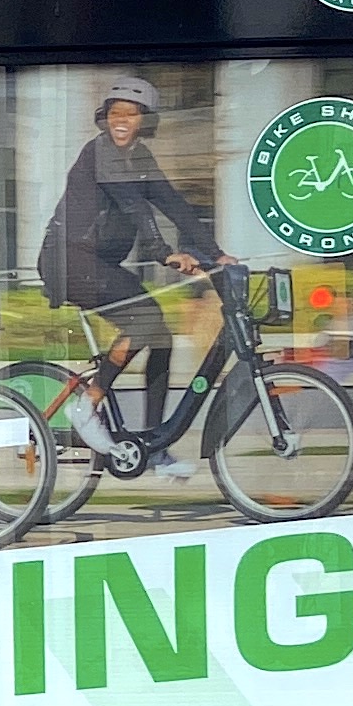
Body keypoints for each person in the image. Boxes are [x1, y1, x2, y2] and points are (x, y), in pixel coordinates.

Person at [40, 75, 229, 450]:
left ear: (146, 120)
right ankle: (87, 405)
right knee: (146, 318)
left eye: (131, 113)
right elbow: (133, 205)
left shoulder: (139, 158)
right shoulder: (100, 153)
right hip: (68, 260)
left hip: (98, 264)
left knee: (161, 337)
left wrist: (217, 253)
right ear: (105, 118)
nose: (122, 120)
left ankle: (154, 443)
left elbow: (175, 206)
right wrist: (164, 252)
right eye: (115, 113)